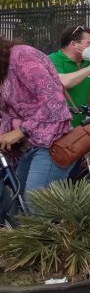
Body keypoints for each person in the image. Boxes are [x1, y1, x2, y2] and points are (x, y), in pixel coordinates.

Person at [0, 37, 77, 203]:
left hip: (52, 141)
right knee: (17, 206)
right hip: (30, 143)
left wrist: (20, 131)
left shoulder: (22, 56)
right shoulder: (3, 70)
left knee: (34, 206)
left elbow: (54, 101)